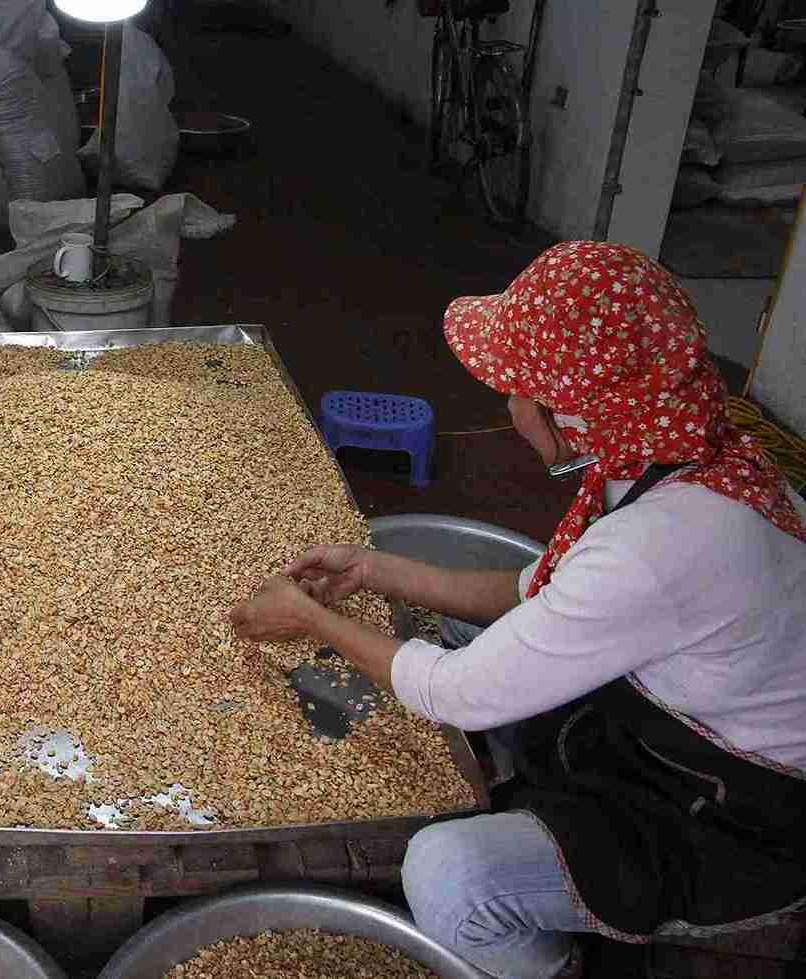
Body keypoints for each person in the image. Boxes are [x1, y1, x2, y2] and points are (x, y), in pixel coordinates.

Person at [229, 241, 806, 978]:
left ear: (566, 411)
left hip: (736, 808)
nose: (506, 407)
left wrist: (311, 621)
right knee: (473, 638)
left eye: (515, 387)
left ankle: (559, 968)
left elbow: (454, 694)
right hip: (682, 717)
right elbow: (533, 588)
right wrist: (374, 568)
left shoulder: (661, 545)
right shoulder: (675, 448)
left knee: (449, 873)